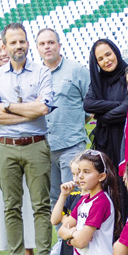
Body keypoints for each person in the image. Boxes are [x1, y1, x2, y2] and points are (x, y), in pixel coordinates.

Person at [0, 22, 56, 255]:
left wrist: (8, 107)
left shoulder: (42, 72)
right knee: (11, 206)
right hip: (6, 147)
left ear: (27, 43)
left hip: (36, 144)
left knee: (41, 205)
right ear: (4, 46)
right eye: (13, 42)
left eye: (22, 41)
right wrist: (26, 111)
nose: (18, 46)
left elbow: (44, 108)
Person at [0, 36, 36, 255]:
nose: (3, 54)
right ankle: (13, 250)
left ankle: (30, 251)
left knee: (28, 197)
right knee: (7, 199)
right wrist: (26, 114)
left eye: (4, 49)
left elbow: (39, 108)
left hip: (28, 141)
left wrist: (10, 112)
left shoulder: (29, 77)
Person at [36, 28, 90, 200]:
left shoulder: (77, 70)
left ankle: (74, 227)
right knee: (54, 197)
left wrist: (75, 124)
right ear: (37, 48)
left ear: (59, 45)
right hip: (45, 147)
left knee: (73, 195)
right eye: (42, 44)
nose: (47, 47)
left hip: (71, 145)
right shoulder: (35, 75)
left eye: (51, 42)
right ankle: (61, 228)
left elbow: (90, 104)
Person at [84, 38, 128, 171]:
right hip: (104, 141)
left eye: (108, 54)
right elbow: (88, 104)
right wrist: (117, 103)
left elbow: (127, 109)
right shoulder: (98, 80)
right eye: (100, 59)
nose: (106, 61)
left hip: (125, 139)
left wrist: (100, 116)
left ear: (116, 52)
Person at [51, 157, 85, 255]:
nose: (77, 179)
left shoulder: (94, 198)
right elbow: (55, 220)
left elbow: (67, 223)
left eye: (81, 173)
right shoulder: (73, 194)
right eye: (74, 174)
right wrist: (63, 195)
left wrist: (67, 224)